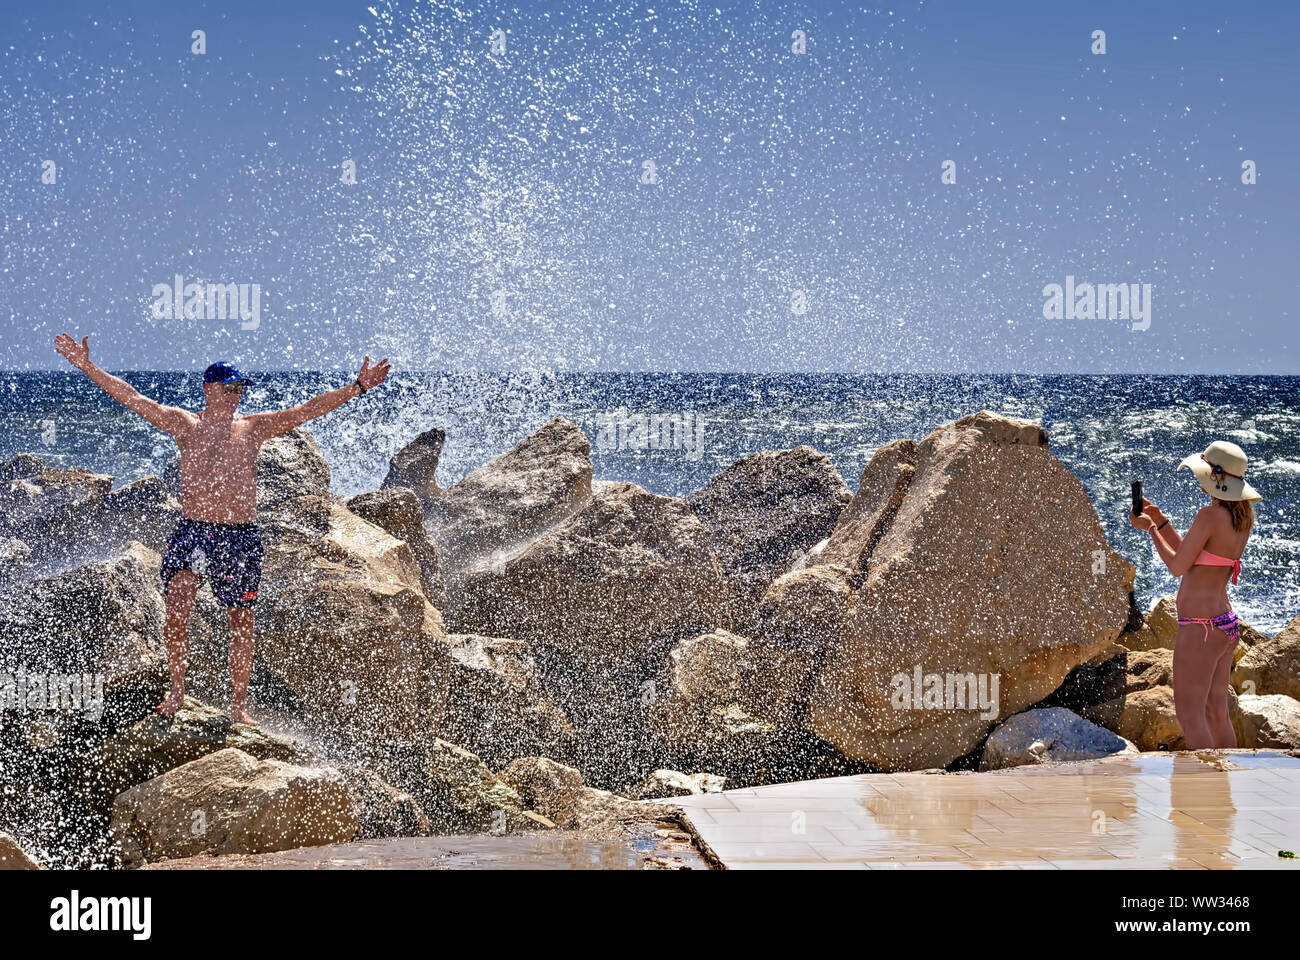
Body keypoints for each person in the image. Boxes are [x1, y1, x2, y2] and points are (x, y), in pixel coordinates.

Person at [53, 334, 391, 725]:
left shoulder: (252, 427)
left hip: (239, 537)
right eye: (229, 387)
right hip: (193, 532)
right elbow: (132, 398)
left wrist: (359, 386)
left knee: (241, 621)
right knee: (176, 611)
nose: (236, 394)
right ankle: (177, 691)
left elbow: (306, 411)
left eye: (241, 388)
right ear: (208, 389)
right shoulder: (184, 424)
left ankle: (239, 707)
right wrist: (87, 367)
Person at [1129, 440, 1261, 749]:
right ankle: (1224, 784)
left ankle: (1204, 791)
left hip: (1200, 629)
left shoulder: (1208, 516)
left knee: (1190, 715)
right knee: (1216, 713)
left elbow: (1177, 566)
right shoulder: (1240, 520)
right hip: (1225, 625)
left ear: (1214, 479)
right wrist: (1161, 521)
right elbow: (1194, 558)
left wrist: (1150, 530)